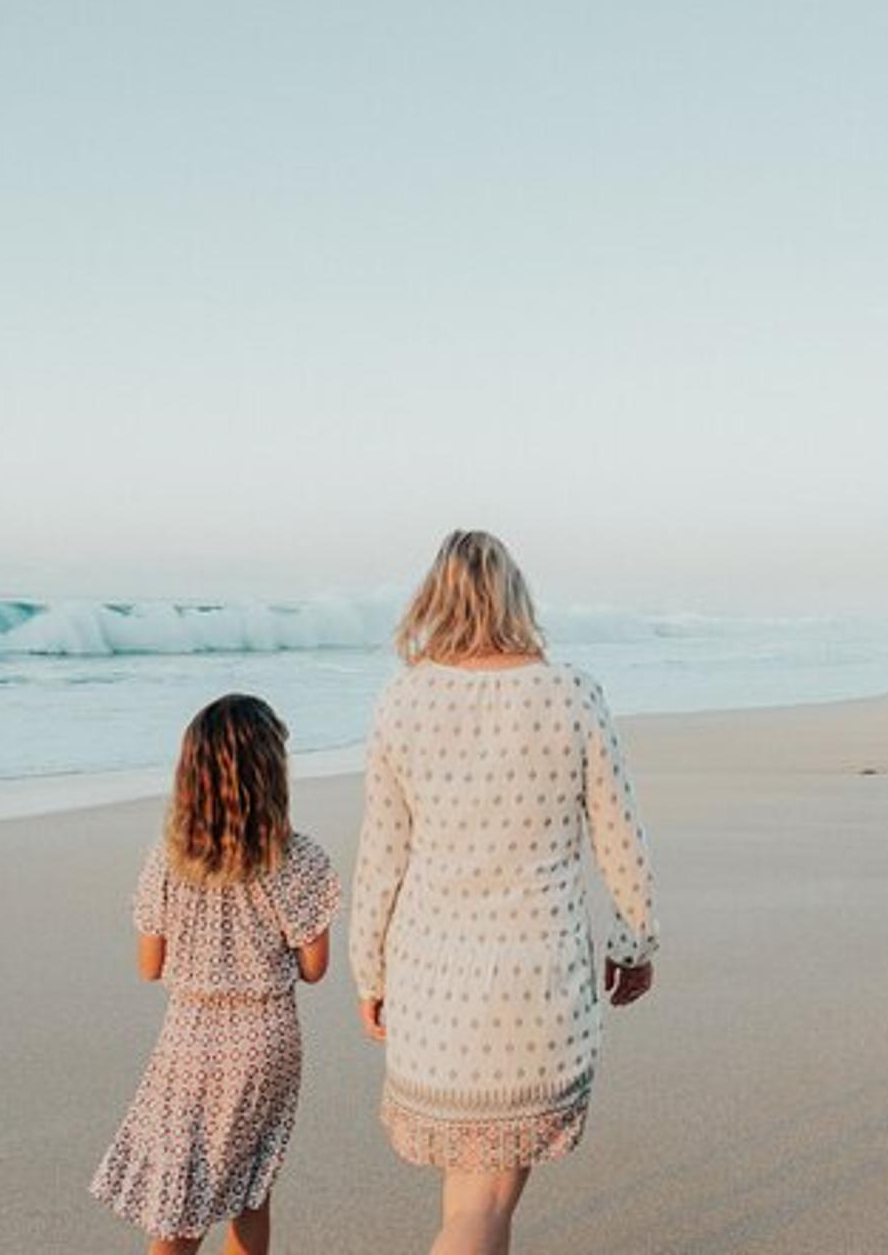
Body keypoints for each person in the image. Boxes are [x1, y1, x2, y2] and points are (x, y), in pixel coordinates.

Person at [349, 530, 659, 1255]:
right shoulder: (570, 693)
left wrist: (370, 972)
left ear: (434, 599)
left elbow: (381, 854)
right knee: (484, 1203)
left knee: (470, 1194)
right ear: (515, 597)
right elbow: (620, 834)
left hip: (432, 982)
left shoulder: (403, 699)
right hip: (534, 983)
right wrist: (634, 942)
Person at [91, 695, 341, 1254]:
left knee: (181, 1204)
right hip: (266, 1041)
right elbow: (315, 968)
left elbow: (149, 965)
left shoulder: (167, 859)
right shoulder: (298, 858)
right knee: (252, 1186)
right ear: (272, 774)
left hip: (191, 1040)